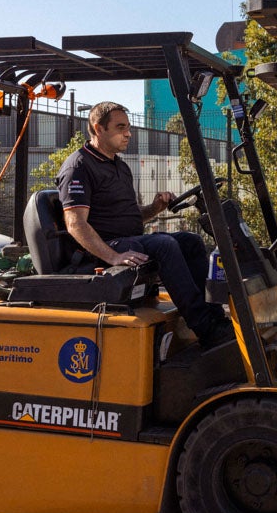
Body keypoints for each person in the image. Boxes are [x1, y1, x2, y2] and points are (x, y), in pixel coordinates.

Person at [57, 102, 234, 348]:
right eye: (120, 127)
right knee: (164, 244)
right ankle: (205, 327)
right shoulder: (79, 166)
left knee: (190, 241)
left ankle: (216, 319)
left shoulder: (120, 166)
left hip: (127, 240)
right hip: (103, 248)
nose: (128, 133)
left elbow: (129, 216)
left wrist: (154, 208)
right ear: (98, 128)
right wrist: (114, 257)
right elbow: (75, 224)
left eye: (128, 127)